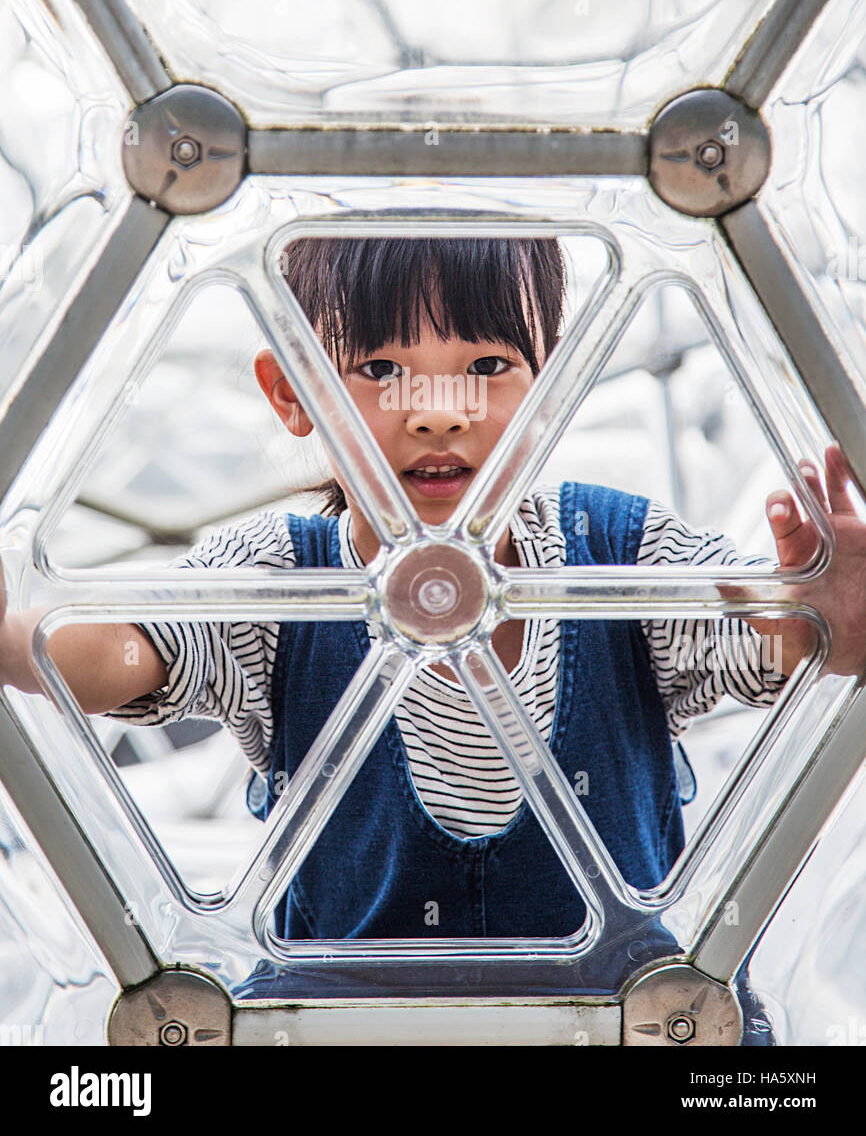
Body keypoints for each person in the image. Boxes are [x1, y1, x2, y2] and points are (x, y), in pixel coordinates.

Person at [2, 238, 865, 1044]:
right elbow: (120, 653)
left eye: (487, 367)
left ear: (552, 384)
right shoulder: (272, 577)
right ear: (290, 393)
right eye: (382, 369)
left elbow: (766, 644)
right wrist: (16, 633)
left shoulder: (622, 553)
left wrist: (816, 618)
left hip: (625, 1024)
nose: (438, 415)